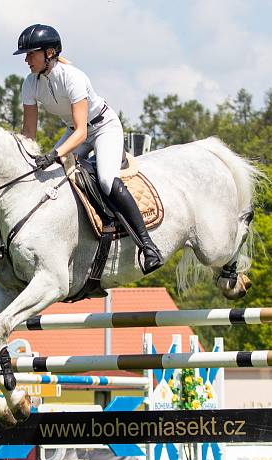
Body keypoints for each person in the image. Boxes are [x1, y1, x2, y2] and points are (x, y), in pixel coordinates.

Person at [15, 23, 163, 274]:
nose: (27, 60)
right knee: (48, 176)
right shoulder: (30, 84)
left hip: (103, 127)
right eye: (26, 55)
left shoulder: (73, 77)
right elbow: (29, 134)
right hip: (75, 132)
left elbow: (84, 131)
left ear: (49, 53)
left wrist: (54, 154)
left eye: (31, 54)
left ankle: (148, 246)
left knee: (106, 179)